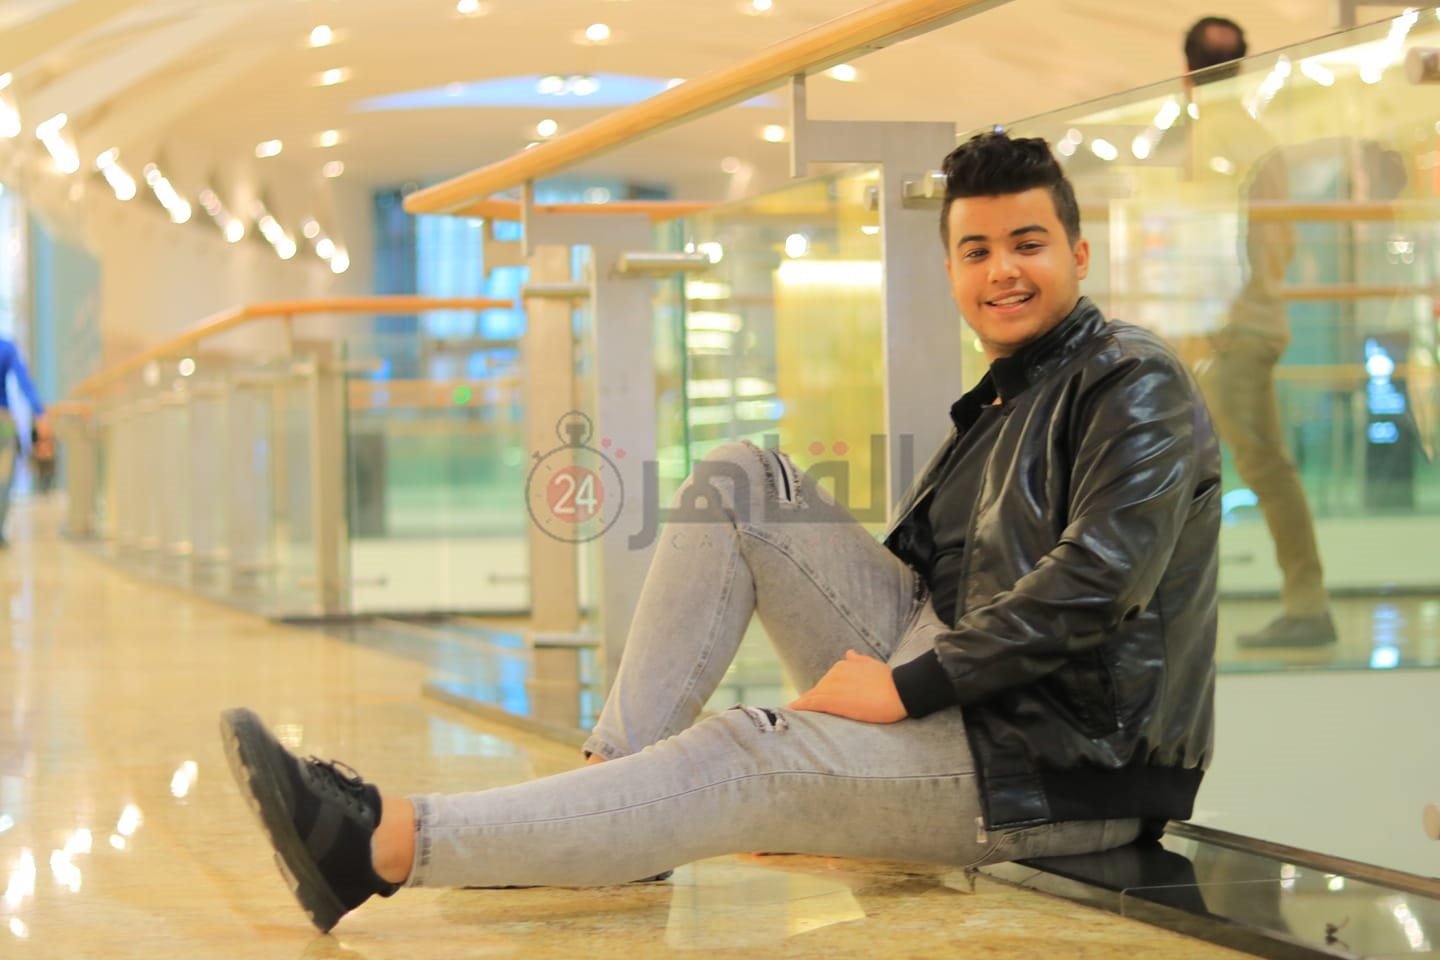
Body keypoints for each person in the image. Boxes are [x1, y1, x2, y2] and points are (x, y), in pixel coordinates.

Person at [220, 131, 1221, 934]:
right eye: (977, 250)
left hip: (1057, 766)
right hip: (973, 694)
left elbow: (1100, 581)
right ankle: (615, 803)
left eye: (1028, 244)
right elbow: (934, 582)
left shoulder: (1132, 380)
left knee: (749, 749)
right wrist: (868, 736)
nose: (1003, 270)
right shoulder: (1008, 396)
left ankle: (383, 842)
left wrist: (902, 689)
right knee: (742, 476)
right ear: (953, 267)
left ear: (1077, 254)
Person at [1183, 16, 1337, 648]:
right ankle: (1304, 602)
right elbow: (1273, 240)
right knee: (1243, 465)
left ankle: (1307, 603)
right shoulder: (1242, 135)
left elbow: (1235, 242)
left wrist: (1221, 320)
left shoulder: (1222, 135)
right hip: (1234, 325)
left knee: (1257, 467)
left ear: (1185, 71)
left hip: (1232, 329)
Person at [0, 335, 49, 548]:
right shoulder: (6, 347)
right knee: (3, 476)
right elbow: (24, 382)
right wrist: (39, 412)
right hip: (3, 420)